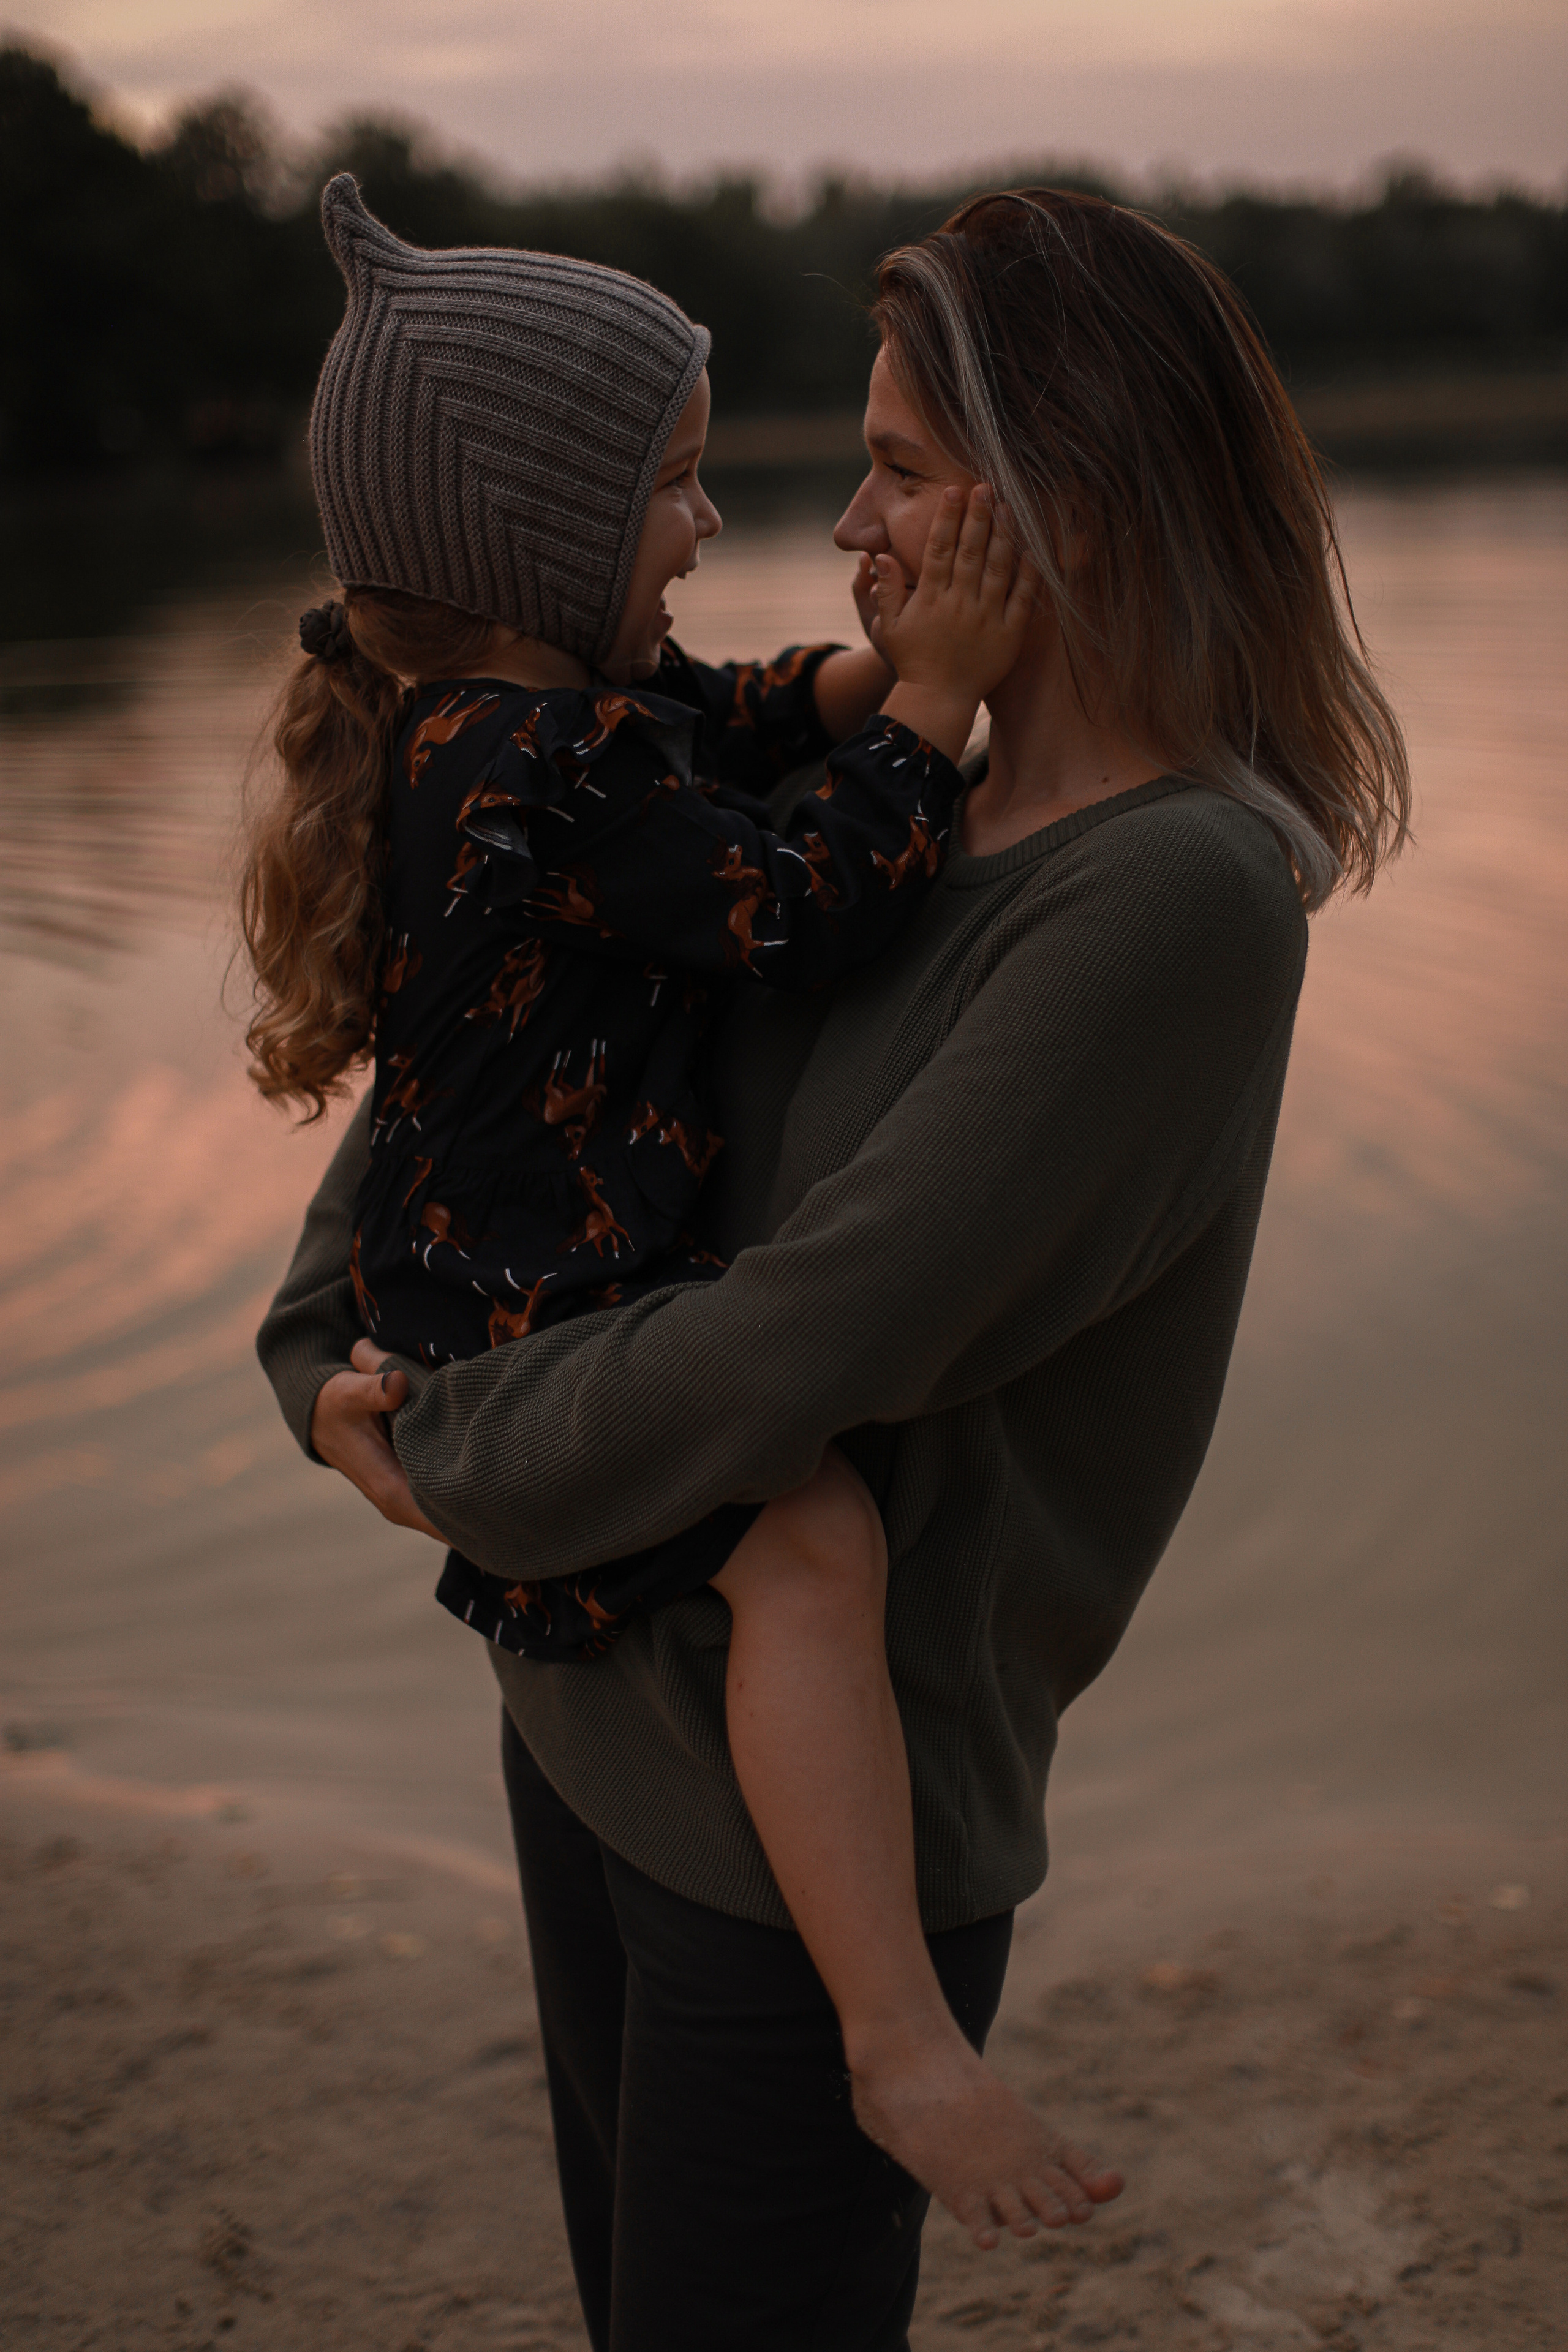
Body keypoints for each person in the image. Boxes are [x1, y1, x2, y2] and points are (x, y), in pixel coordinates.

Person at [260, 188, 1408, 2351]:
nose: (840, 519)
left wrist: (455, 1449)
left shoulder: (1168, 894)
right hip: (591, 1700)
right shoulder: (870, 803)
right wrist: (322, 1360)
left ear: (1064, 504)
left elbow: (812, 1337)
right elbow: (482, 1065)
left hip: (803, 1855)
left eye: (895, 466)